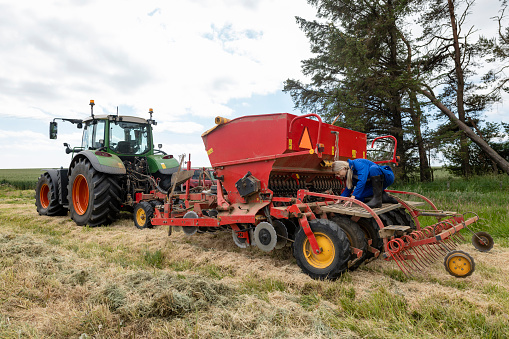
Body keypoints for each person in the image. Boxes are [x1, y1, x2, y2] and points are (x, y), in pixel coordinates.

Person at [332, 159, 398, 208]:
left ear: (343, 168)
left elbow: (362, 180)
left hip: (386, 177)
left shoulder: (357, 164)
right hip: (374, 184)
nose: (338, 176)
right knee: (358, 198)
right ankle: (384, 197)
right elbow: (349, 187)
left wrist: (353, 196)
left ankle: (377, 201)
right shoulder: (349, 174)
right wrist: (341, 199)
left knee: (373, 169)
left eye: (338, 173)